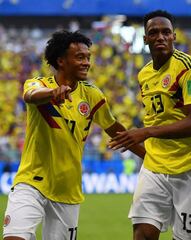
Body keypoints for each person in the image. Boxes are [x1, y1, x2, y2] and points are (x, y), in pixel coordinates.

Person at [2, 30, 145, 240]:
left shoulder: (92, 95)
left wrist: (151, 158)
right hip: (31, 182)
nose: (87, 62)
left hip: (67, 191)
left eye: (88, 57)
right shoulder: (38, 85)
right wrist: (52, 93)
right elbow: (30, 96)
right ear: (61, 61)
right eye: (80, 57)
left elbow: (115, 130)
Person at [108, 10, 191, 240]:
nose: (160, 37)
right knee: (142, 233)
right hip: (155, 165)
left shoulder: (189, 66)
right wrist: (146, 134)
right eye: (154, 33)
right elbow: (156, 117)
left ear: (174, 36)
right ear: (145, 39)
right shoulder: (144, 74)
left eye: (166, 32)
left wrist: (145, 132)